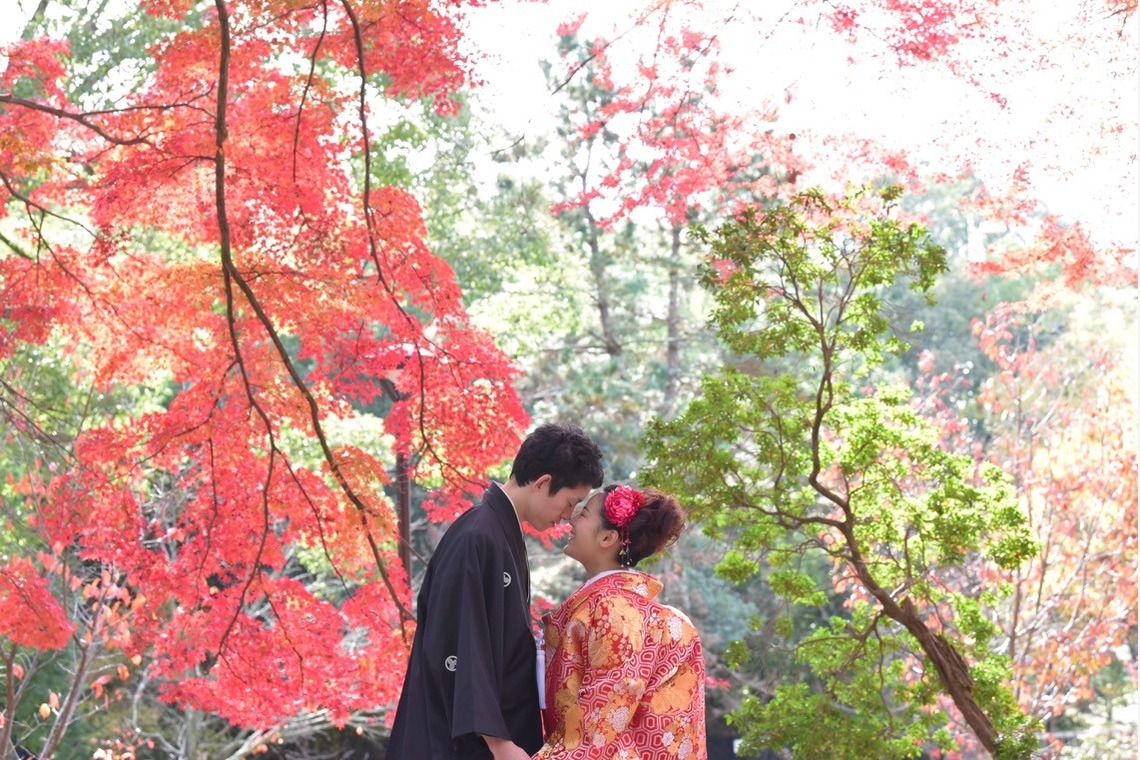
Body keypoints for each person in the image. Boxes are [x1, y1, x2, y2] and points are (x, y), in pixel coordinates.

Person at [386, 423, 604, 760]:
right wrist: (498, 743)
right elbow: (459, 646)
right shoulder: (477, 537)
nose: (567, 516)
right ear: (543, 482)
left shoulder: (498, 533)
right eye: (569, 502)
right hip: (462, 742)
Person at [534, 484, 708, 760]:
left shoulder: (614, 610)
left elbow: (598, 726)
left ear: (607, 538)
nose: (572, 518)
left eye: (584, 513)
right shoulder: (617, 607)